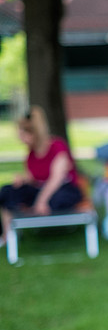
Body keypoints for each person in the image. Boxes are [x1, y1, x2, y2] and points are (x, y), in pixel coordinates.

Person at [0, 106, 83, 247]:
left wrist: (41, 201)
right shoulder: (31, 154)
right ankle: (8, 234)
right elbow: (33, 178)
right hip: (40, 189)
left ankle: (49, 225)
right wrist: (22, 180)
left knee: (56, 200)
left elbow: (56, 179)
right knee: (6, 191)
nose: (21, 139)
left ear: (34, 133)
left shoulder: (57, 146)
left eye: (23, 134)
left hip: (63, 189)